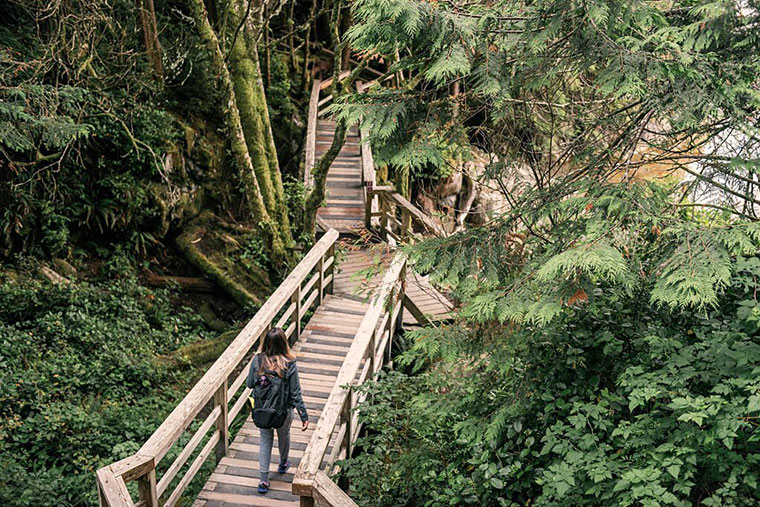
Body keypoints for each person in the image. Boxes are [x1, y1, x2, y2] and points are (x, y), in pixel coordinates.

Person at [246, 327, 309, 495]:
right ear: (284, 343)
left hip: (262, 410)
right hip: (283, 411)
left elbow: (250, 384)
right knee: (284, 435)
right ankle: (283, 464)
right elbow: (295, 392)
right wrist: (304, 414)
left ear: (265, 343)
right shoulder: (289, 363)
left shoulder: (257, 360)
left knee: (265, 441)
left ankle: (264, 480)